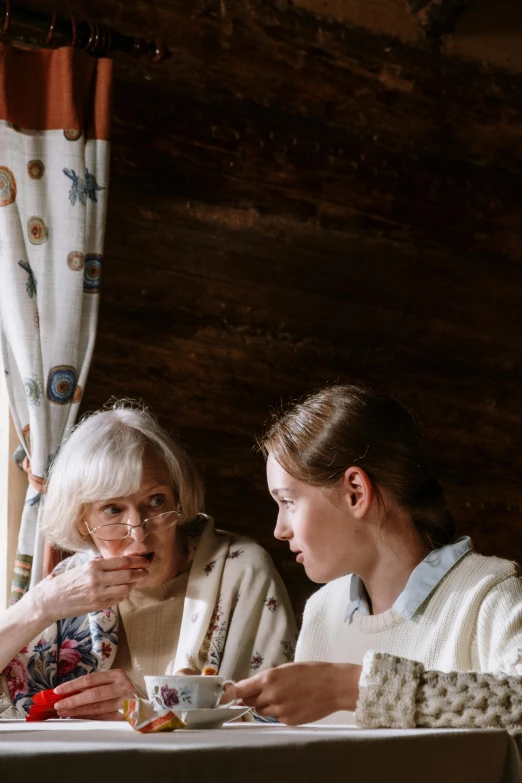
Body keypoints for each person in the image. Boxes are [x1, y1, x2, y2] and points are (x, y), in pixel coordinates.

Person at [229, 384, 522, 732]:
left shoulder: (489, 593)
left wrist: (347, 688)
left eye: (289, 502)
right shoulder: (323, 610)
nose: (279, 529)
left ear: (356, 492)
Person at [0, 403, 297, 719]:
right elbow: (12, 710)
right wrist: (39, 606)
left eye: (155, 502)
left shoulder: (242, 570)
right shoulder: (67, 583)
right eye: (113, 509)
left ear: (178, 498)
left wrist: (148, 710)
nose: (139, 534)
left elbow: (278, 717)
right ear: (80, 518)